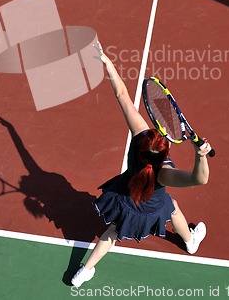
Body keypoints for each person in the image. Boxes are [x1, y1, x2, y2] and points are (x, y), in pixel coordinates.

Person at [71, 42, 211, 287]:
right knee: (172, 206)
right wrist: (200, 156)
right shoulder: (164, 174)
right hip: (149, 209)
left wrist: (107, 63)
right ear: (164, 148)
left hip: (126, 196)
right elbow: (200, 180)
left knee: (112, 232)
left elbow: (122, 95)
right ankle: (190, 242)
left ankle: (84, 271)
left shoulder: (139, 138)